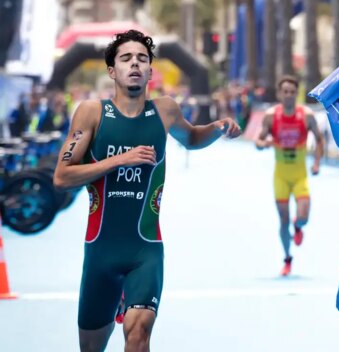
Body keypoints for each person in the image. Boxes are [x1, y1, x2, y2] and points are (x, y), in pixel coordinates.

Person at [52, 30, 241, 352]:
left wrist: (217, 128)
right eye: (126, 58)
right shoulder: (91, 112)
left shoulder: (165, 110)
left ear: (151, 72)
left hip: (145, 249)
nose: (135, 64)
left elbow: (192, 137)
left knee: (139, 333)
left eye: (142, 58)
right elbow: (62, 176)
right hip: (101, 252)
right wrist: (119, 160)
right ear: (112, 71)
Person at [255, 75, 325, 276]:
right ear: (279, 94)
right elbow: (258, 141)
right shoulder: (271, 116)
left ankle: (298, 226)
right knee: (283, 221)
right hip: (281, 177)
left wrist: (317, 163)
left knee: (302, 218)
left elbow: (319, 140)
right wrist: (264, 144)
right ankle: (287, 258)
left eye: (292, 92)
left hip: (300, 175)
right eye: (285, 91)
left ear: (297, 94)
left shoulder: (307, 116)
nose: (288, 95)